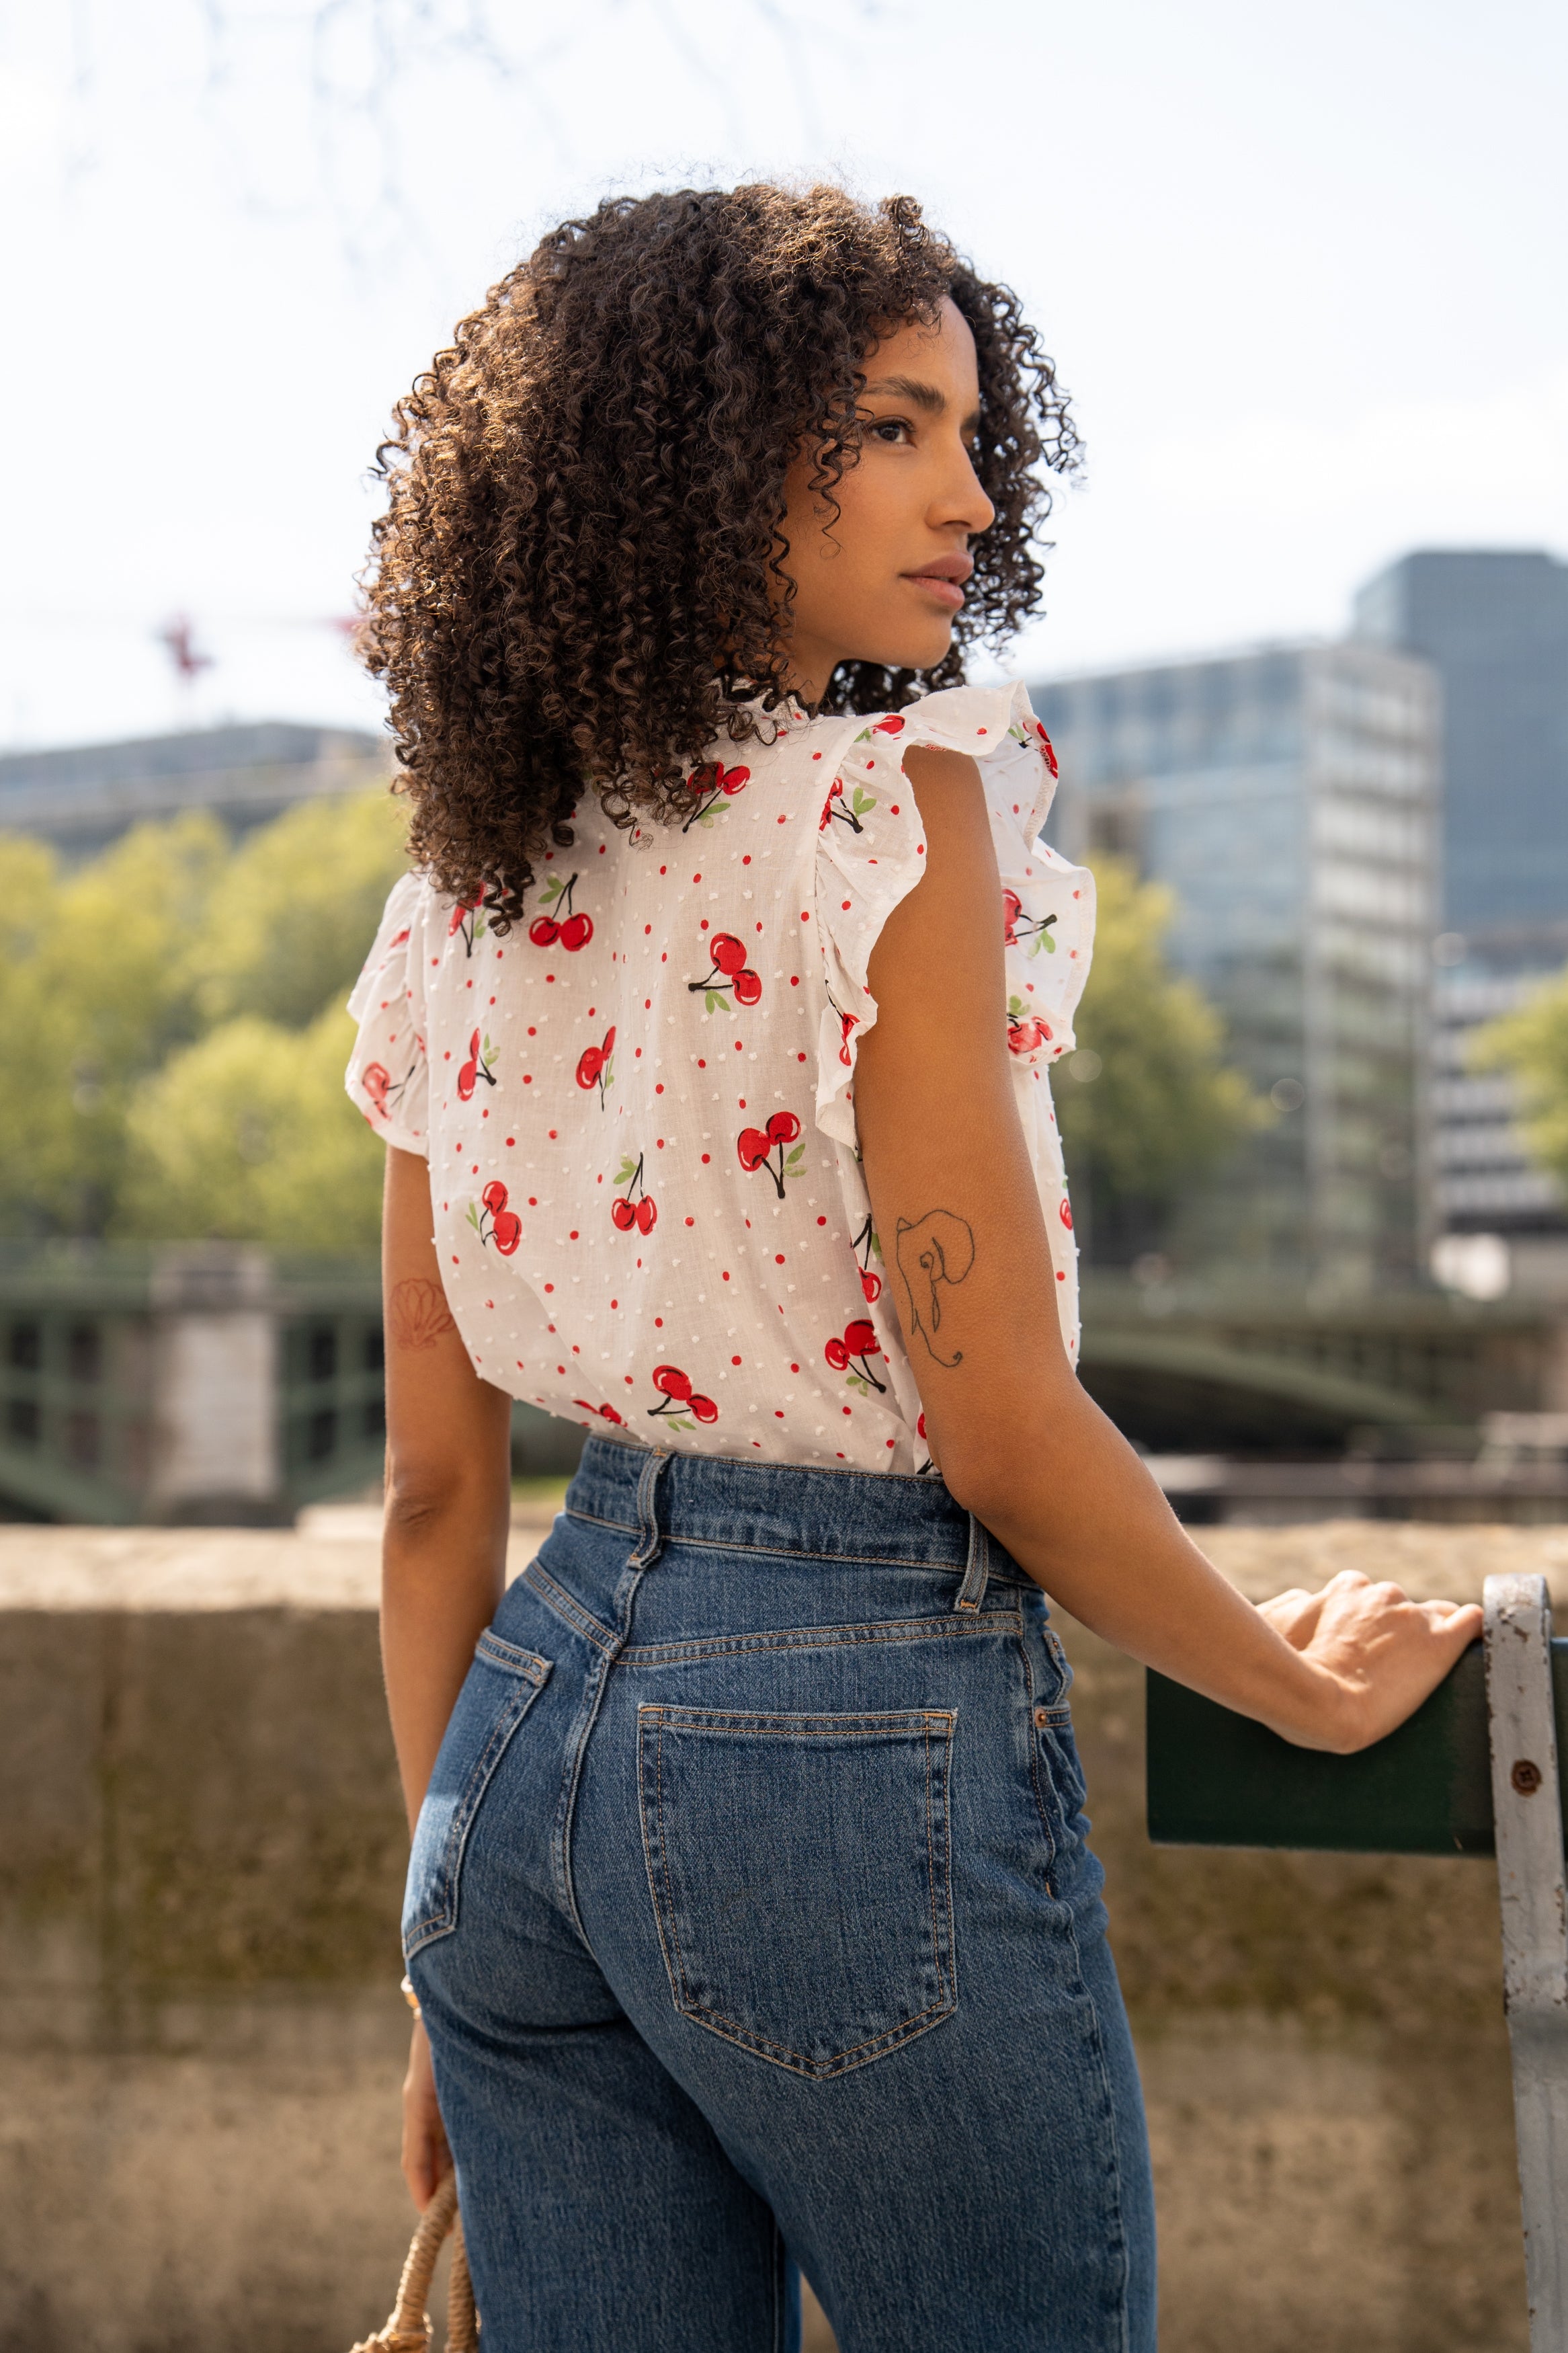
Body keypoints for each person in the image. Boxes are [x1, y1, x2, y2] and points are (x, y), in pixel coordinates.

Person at [345, 185, 1479, 2352]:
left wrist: (443, 1939)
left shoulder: (465, 878)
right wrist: (1296, 1679)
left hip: (514, 1772)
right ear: (700, 453)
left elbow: (426, 1495)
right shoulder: (891, 813)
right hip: (835, 1725)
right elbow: (1001, 1421)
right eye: (897, 426)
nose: (971, 492)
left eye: (976, 431)